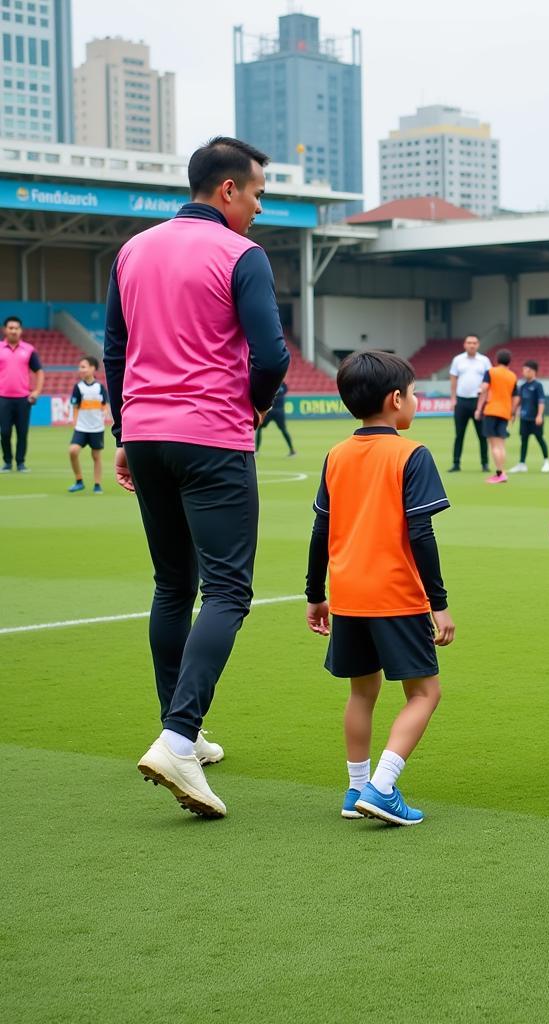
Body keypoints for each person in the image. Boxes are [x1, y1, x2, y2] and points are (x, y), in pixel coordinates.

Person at [104, 136, 290, 819]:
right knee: (229, 589)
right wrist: (257, 399)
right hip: (211, 434)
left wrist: (127, 430)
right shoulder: (242, 255)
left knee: (172, 584)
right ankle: (179, 737)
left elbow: (116, 350)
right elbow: (269, 353)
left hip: (147, 434)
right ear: (228, 191)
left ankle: (178, 728)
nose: (260, 209)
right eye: (259, 195)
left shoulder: (133, 249)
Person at [305, 351, 454, 826]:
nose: (415, 400)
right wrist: (440, 604)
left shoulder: (337, 455)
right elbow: (421, 533)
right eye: (413, 393)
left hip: (348, 594)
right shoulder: (412, 454)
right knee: (425, 693)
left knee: (362, 692)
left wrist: (315, 593)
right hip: (396, 595)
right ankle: (383, 785)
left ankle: (355, 789)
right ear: (396, 400)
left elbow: (320, 531)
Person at [0, 314, 44, 472]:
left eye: (16, 328)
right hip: (3, 399)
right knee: (4, 432)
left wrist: (37, 391)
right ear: (5, 330)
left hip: (23, 399)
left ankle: (20, 463)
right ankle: (6, 462)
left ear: (21, 330)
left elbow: (39, 371)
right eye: (11, 328)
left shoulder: (29, 350)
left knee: (22, 433)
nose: (13, 331)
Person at [475, 348, 519, 484]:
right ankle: (502, 472)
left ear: (496, 360)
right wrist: (512, 412)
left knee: (493, 445)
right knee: (501, 445)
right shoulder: (513, 376)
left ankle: (500, 473)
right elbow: (516, 397)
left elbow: (483, 389)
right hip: (505, 412)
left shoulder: (491, 372)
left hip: (492, 411)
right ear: (509, 361)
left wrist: (478, 408)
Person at [448, 334, 491, 473]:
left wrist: (487, 399)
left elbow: (489, 381)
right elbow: (453, 379)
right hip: (461, 401)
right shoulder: (458, 360)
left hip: (478, 401)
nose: (472, 345)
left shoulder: (484, 361)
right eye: (469, 342)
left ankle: (485, 463)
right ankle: (456, 463)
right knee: (459, 434)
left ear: (478, 345)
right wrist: (453, 398)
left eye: (474, 342)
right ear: (464, 344)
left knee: (482, 435)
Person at [67, 356, 108, 494]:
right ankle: (79, 481)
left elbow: (105, 405)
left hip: (97, 428)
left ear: (93, 369)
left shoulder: (100, 387)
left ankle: (97, 484)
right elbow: (75, 405)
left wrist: (105, 413)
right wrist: (74, 421)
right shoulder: (78, 387)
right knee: (73, 451)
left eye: (84, 367)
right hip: (81, 427)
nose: (81, 370)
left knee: (96, 456)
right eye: (80, 367)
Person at [509, 359, 549, 474]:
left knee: (540, 439)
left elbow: (541, 401)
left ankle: (546, 462)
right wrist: (513, 415)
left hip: (535, 419)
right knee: (524, 441)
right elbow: (519, 402)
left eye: (527, 370)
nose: (524, 372)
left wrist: (539, 415)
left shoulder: (538, 385)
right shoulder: (522, 386)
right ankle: (522, 464)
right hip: (524, 419)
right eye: (523, 369)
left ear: (533, 371)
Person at [256, 382, 296, 456]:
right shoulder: (281, 385)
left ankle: (292, 451)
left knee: (283, 430)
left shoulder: (276, 384)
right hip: (272, 411)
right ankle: (256, 450)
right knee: (260, 427)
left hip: (276, 411)